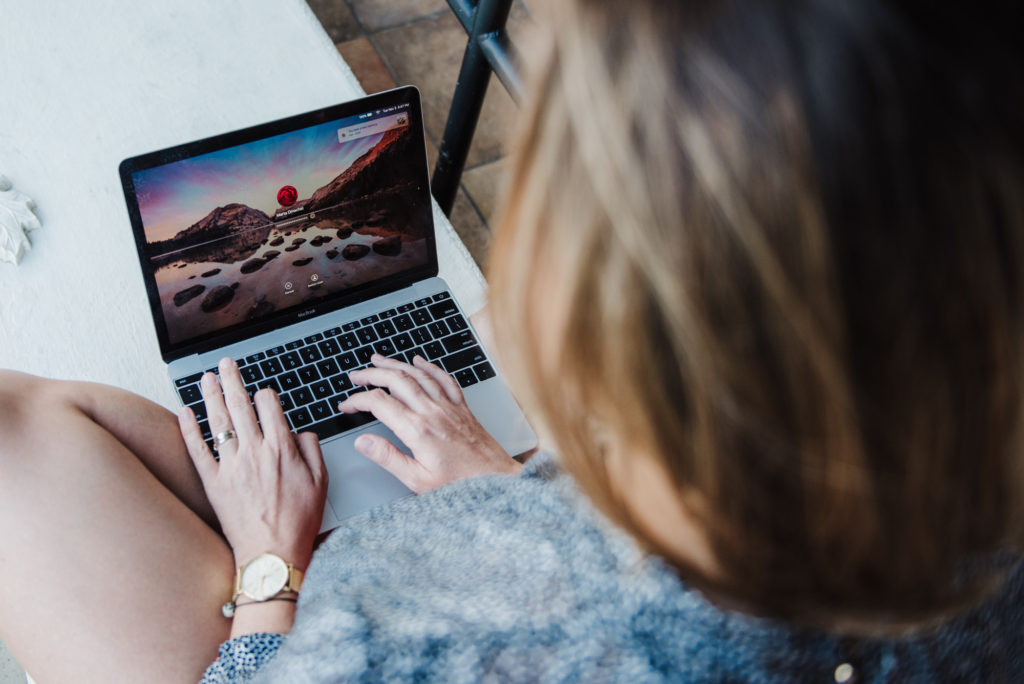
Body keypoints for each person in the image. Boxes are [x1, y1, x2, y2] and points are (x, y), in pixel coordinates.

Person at [1, 0, 1023, 680]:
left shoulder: (411, 637)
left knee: (22, 431)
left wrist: (271, 568)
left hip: (308, 604)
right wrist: (508, 490)